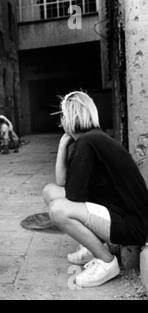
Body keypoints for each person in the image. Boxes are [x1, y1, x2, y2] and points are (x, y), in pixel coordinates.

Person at [42, 91, 148, 288]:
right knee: (50, 191)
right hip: (121, 214)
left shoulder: (88, 142)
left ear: (69, 118)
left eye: (63, 116)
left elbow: (73, 196)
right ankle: (92, 245)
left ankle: (106, 262)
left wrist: (68, 140)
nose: (61, 121)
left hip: (132, 225)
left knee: (58, 210)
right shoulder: (92, 138)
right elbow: (61, 181)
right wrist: (63, 144)